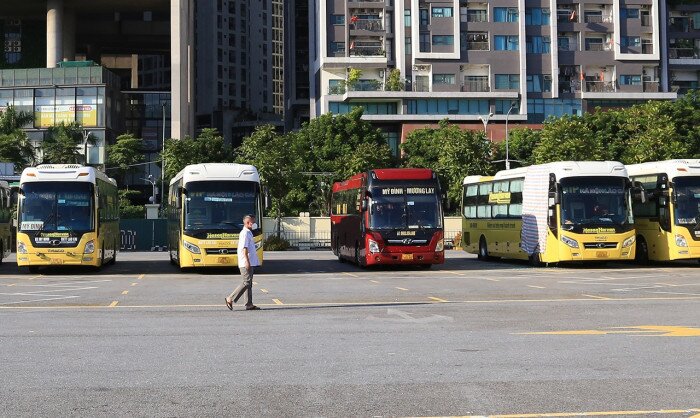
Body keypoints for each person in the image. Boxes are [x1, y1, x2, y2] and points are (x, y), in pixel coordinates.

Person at [225, 214, 260, 311]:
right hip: (245, 262)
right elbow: (244, 249)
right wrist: (247, 262)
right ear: (248, 223)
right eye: (253, 222)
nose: (255, 224)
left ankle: (249, 304)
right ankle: (230, 298)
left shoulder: (248, 232)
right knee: (246, 282)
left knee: (249, 284)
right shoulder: (244, 233)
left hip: (250, 262)